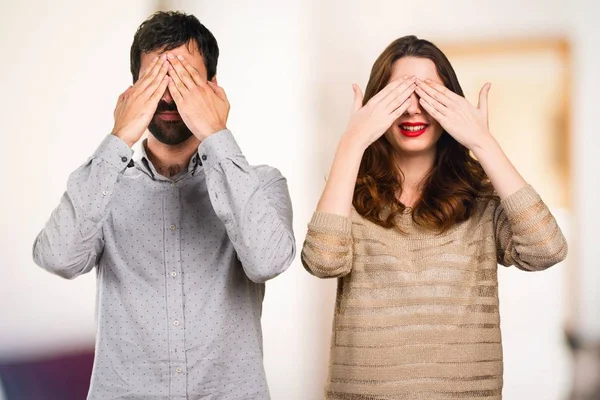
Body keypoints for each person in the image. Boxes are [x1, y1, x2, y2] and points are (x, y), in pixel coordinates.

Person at [32, 11, 295, 400]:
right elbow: (56, 257)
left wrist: (216, 134)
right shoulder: (103, 185)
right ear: (134, 90)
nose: (169, 96)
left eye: (184, 81)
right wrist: (120, 135)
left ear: (213, 88)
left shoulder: (259, 183)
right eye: (156, 82)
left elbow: (268, 261)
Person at [301, 35, 567, 399]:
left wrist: (482, 141)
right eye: (399, 95)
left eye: (428, 94)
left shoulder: (483, 198)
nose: (413, 110)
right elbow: (322, 262)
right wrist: (352, 142)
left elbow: (547, 249)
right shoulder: (349, 192)